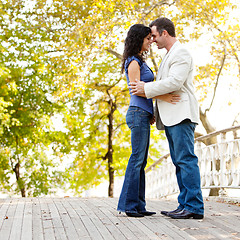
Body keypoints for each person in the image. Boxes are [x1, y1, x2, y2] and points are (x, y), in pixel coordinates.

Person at [129, 17, 204, 219]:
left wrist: (147, 89)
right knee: (179, 161)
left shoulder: (181, 53)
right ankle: (184, 204)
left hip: (181, 114)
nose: (152, 40)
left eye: (154, 35)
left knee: (186, 160)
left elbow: (175, 82)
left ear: (164, 33)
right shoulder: (168, 56)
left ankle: (194, 207)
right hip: (171, 116)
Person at [117, 24, 180, 218]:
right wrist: (164, 97)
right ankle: (129, 205)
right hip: (136, 113)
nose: (150, 42)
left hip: (142, 113)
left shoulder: (139, 61)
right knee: (136, 159)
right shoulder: (133, 62)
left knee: (141, 160)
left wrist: (151, 111)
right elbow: (137, 90)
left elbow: (146, 90)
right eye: (147, 39)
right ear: (139, 40)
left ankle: (139, 205)